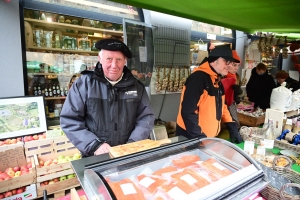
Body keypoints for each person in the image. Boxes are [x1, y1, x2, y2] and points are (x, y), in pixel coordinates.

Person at [60, 38, 155, 157]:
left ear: (125, 61)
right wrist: (94, 145)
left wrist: (133, 144)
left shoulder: (137, 87)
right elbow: (70, 120)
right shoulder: (84, 84)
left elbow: (146, 117)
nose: (114, 65)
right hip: (95, 155)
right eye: (109, 59)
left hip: (128, 154)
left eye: (119, 59)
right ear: (100, 59)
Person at [176, 44, 243, 143]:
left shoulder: (217, 79)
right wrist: (200, 138)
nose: (229, 65)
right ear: (214, 61)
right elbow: (188, 111)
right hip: (191, 138)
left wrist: (232, 126)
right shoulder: (198, 78)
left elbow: (223, 106)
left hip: (208, 138)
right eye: (226, 61)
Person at [221, 50, 243, 127]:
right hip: (220, 107)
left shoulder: (236, 77)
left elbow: (237, 98)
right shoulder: (220, 76)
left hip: (231, 107)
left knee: (234, 125)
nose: (237, 68)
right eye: (234, 65)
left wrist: (238, 94)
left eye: (238, 65)